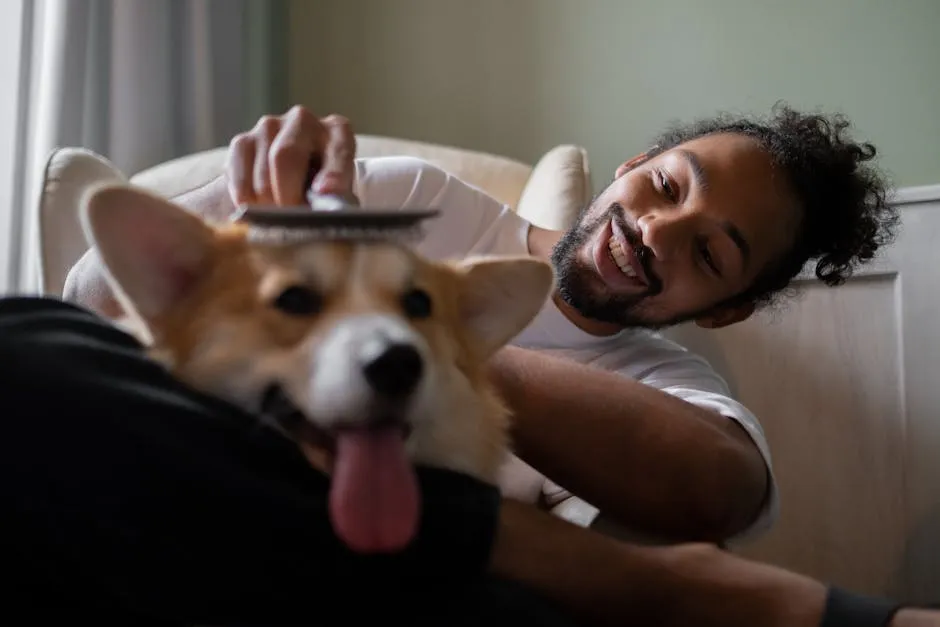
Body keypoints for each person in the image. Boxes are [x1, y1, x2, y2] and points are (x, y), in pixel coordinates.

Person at [11, 102, 929, 626]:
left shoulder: (667, 383)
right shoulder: (411, 196)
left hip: (403, 591)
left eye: (709, 253)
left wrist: (415, 339)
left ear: (726, 308)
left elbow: (719, 490)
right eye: (664, 186)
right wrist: (264, 251)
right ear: (632, 165)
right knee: (25, 344)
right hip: (194, 506)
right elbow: (91, 295)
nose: (653, 232)